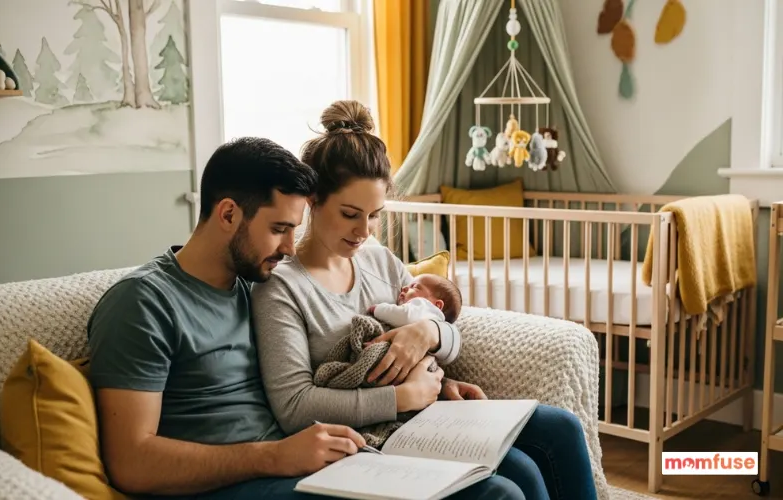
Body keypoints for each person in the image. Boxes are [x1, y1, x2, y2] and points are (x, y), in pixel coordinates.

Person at [85, 136, 521, 500]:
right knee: (498, 495)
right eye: (279, 229)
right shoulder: (142, 304)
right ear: (228, 214)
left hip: (310, 458)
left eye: (295, 229)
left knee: (513, 470)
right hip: (238, 481)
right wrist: (273, 456)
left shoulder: (250, 283)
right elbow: (132, 464)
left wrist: (432, 371)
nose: (291, 248)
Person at [250, 100, 599, 500]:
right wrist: (405, 397)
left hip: (426, 414)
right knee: (515, 477)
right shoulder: (282, 288)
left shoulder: (378, 259)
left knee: (562, 428)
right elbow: (294, 408)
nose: (364, 230)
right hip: (373, 434)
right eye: (350, 214)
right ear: (313, 199)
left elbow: (451, 333)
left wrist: (427, 332)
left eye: (375, 215)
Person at [368, 273, 462, 327]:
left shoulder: (425, 307)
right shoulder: (436, 323)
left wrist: (378, 309)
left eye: (414, 286)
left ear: (437, 305)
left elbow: (404, 315)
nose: (404, 287)